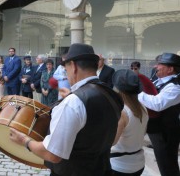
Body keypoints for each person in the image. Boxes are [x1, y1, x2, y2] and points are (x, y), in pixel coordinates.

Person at [9, 43, 123, 176]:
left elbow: (52, 154)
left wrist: (24, 141)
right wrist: (72, 96)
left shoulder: (74, 102)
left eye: (66, 68)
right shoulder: (110, 94)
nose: (66, 73)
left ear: (73, 66)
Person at [138, 53, 180, 176]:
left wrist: (137, 93)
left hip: (166, 132)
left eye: (160, 64)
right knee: (163, 162)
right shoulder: (158, 79)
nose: (156, 66)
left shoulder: (175, 87)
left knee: (167, 165)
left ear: (170, 69)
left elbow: (157, 104)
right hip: (157, 129)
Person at [110, 69, 149, 176]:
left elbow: (111, 141)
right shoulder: (143, 108)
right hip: (138, 163)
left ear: (118, 89)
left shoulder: (123, 113)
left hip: (120, 166)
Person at [130, 61, 160, 133]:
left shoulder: (141, 78)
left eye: (135, 68)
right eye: (132, 68)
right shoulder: (137, 77)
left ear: (139, 68)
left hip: (150, 107)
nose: (133, 70)